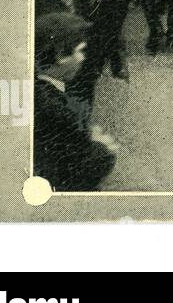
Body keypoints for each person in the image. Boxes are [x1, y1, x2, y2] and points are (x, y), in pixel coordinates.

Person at [34, 12, 118, 191]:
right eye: (80, 50)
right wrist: (102, 148)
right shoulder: (58, 110)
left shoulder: (38, 92)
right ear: (60, 56)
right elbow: (81, 167)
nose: (83, 58)